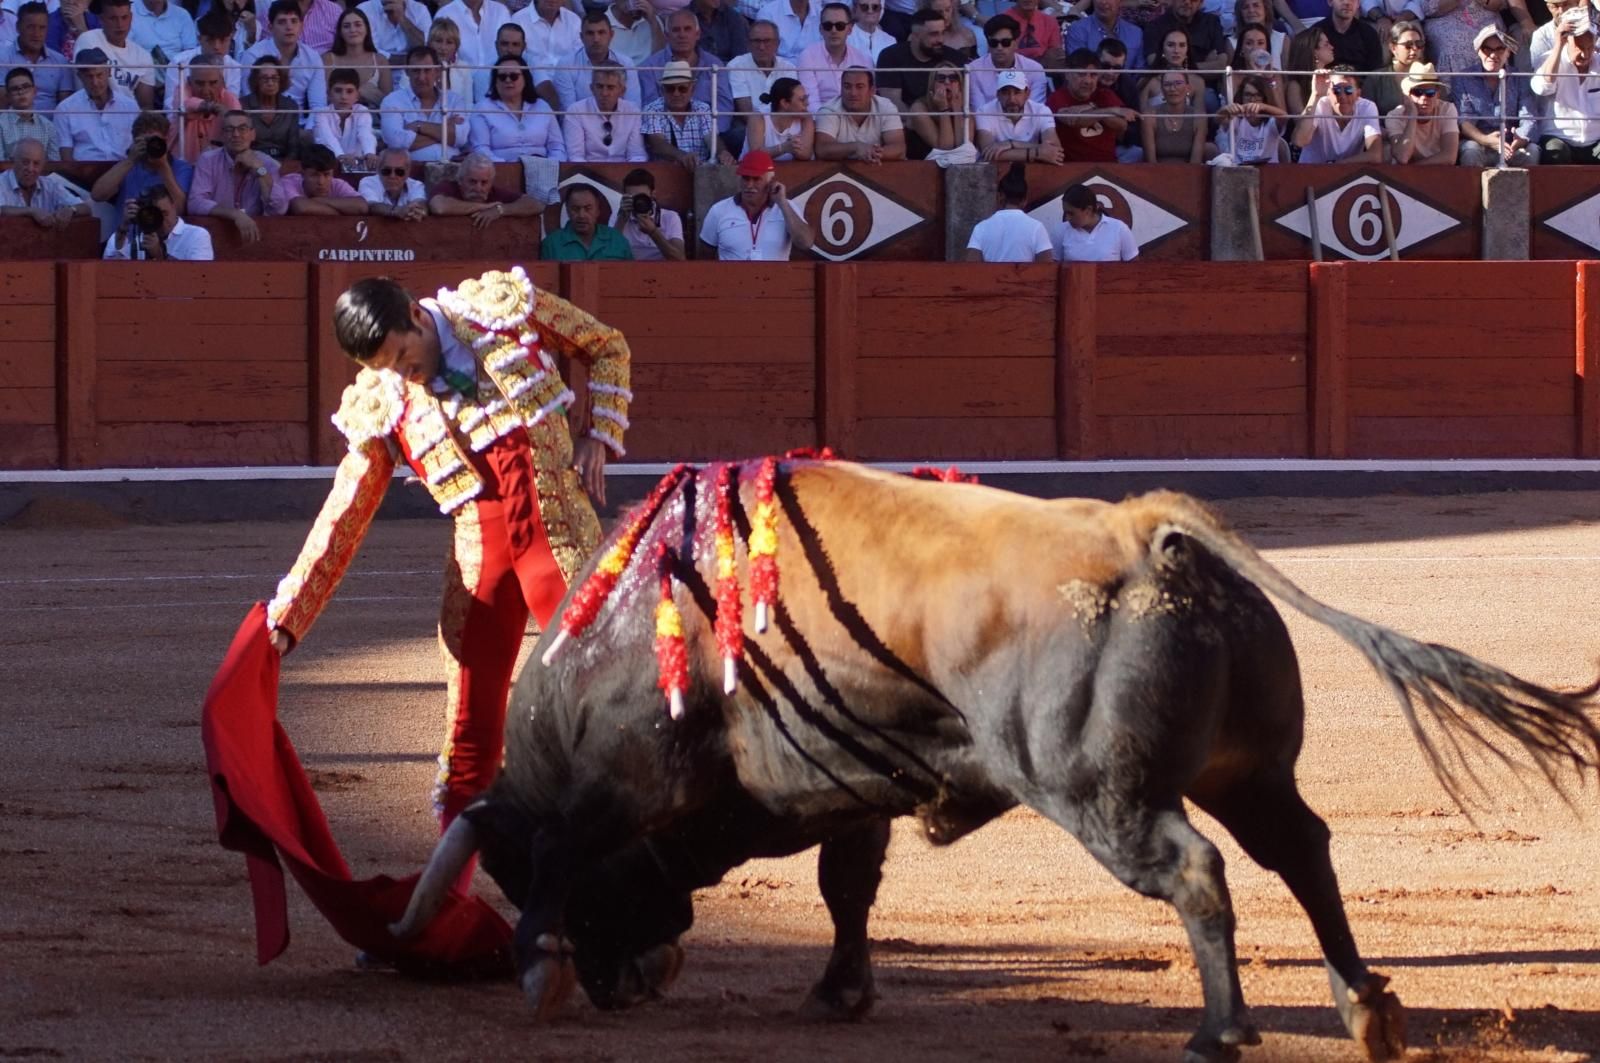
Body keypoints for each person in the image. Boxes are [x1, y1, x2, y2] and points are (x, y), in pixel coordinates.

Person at [264, 268, 632, 864]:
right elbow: (343, 515)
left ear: (414, 315)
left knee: (605, 712)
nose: (401, 375)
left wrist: (600, 433)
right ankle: (447, 908)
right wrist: (287, 618)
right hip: (479, 573)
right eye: (382, 367)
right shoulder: (382, 402)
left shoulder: (501, 310)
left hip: (563, 554)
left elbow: (605, 345)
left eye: (402, 356)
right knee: (468, 740)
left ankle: (627, 885)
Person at [699, 149, 815, 259]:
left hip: (774, 279)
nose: (749, 185)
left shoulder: (786, 207)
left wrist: (782, 203)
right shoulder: (719, 210)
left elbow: (806, 243)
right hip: (732, 279)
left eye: (756, 179)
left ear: (770, 180)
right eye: (745, 178)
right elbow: (704, 256)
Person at [189, 109, 280, 243]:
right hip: (216, 237)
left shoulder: (268, 163)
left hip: (259, 238)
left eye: (242, 129)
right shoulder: (208, 160)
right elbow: (195, 203)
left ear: (252, 134)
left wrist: (261, 172)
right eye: (229, 129)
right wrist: (234, 214)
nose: (236, 134)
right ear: (222, 135)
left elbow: (279, 209)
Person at [1456, 24, 1539, 166]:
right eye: (1487, 49)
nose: (1493, 55)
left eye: (1499, 49)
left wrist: (1520, 139)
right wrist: (1486, 140)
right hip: (1480, 144)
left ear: (1508, 52)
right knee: (1470, 150)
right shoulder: (1464, 78)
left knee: (1532, 151)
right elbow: (1464, 121)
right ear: (1479, 52)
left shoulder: (1520, 78)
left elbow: (1529, 117)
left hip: (1511, 145)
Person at [88, 109, 192, 214]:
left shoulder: (181, 168)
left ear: (166, 140)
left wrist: (163, 166)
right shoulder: (126, 167)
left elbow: (180, 209)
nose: (151, 145)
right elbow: (97, 195)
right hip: (127, 227)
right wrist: (130, 160)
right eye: (145, 141)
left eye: (155, 140)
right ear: (135, 141)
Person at [1531, 7, 1600, 164]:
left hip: (1595, 141)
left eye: (1589, 48)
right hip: (1559, 138)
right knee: (1555, 151)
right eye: (1580, 48)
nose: (1585, 54)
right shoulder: (1549, 59)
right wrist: (1557, 47)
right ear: (1566, 41)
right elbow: (1542, 88)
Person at [470, 56, 567, 162]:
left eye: (514, 76)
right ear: (495, 81)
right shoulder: (482, 109)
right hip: (499, 172)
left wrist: (551, 165)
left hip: (544, 170)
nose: (508, 80)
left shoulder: (542, 106)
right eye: (502, 77)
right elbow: (481, 149)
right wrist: (510, 168)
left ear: (525, 79)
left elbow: (557, 146)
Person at [380, 45, 466, 163]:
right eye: (416, 70)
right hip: (410, 171)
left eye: (427, 70)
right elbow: (396, 143)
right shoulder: (392, 101)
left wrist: (419, 126)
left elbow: (461, 138)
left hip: (452, 168)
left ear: (437, 71)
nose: (421, 77)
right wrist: (445, 131)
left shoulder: (454, 100)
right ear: (407, 71)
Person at [242, 1, 329, 117]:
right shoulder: (253, 55)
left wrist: (310, 130)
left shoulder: (312, 57)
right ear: (270, 27)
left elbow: (318, 106)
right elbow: (250, 101)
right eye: (282, 22)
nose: (289, 27)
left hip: (300, 126)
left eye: (294, 21)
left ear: (301, 26)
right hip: (261, 123)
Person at [52, 48, 140, 161]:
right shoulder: (65, 109)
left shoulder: (130, 107)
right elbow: (66, 158)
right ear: (80, 76)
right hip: (83, 173)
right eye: (89, 76)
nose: (95, 82)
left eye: (99, 75)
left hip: (124, 170)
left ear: (108, 72)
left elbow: (138, 147)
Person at [1048, 49, 1136, 162]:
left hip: (1108, 167)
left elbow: (1122, 125)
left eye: (1093, 75)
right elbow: (1073, 120)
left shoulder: (1105, 94)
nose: (1088, 81)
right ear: (1067, 74)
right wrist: (1108, 111)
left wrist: (1094, 109)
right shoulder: (1057, 97)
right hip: (1071, 170)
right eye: (1081, 74)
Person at [552, 9, 643, 112]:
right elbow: (568, 113)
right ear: (581, 37)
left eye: (601, 32)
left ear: (611, 35)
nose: (596, 39)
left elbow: (634, 109)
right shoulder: (566, 65)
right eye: (590, 33)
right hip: (580, 126)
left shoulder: (626, 64)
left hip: (620, 125)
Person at [74, 0, 158, 109]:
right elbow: (92, 88)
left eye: (124, 17)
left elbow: (146, 106)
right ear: (101, 19)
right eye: (113, 18)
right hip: (90, 111)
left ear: (131, 17)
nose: (120, 24)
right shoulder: (89, 39)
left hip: (128, 117)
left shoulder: (143, 56)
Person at [428, 150, 546, 227]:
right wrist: (485, 207)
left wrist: (501, 210)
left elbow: (537, 205)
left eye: (484, 182)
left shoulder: (495, 193)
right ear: (460, 180)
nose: (478, 188)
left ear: (491, 182)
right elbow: (438, 207)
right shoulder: (448, 187)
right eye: (472, 181)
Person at [964, 162, 1052, 262]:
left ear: (999, 197)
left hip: (991, 277)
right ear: (1024, 200)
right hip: (1024, 277)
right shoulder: (1037, 227)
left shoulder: (981, 228)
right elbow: (1047, 266)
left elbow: (972, 266)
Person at [1292, 64, 1382, 161]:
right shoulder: (1320, 104)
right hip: (1312, 171)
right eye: (1336, 90)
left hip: (1348, 172)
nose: (1342, 96)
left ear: (1358, 94)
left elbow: (1375, 155)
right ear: (1328, 92)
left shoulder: (1367, 107)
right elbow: (1299, 141)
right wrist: (1315, 95)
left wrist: (1335, 166)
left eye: (1348, 90)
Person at [816, 65, 908, 160]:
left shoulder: (886, 107)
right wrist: (855, 147)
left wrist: (872, 153)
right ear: (841, 88)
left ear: (872, 91)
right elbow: (822, 150)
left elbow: (899, 149)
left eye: (860, 87)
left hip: (878, 168)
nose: (853, 93)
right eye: (847, 86)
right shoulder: (829, 110)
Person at [643, 59, 723, 168]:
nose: (676, 93)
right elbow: (657, 144)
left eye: (682, 88)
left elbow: (712, 138)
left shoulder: (703, 108)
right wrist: (683, 156)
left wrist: (722, 154)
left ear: (692, 89)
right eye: (670, 88)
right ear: (662, 90)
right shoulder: (652, 109)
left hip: (700, 171)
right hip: (666, 172)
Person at [0, 137, 90, 230]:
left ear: (43, 165)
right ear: (12, 161)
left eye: (36, 163)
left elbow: (85, 208)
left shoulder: (50, 185)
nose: (31, 169)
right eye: (25, 162)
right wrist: (30, 211)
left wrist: (71, 210)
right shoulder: (1, 182)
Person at [564, 63, 647, 162]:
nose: (604, 93)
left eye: (610, 87)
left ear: (622, 91)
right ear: (592, 88)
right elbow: (575, 157)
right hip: (586, 172)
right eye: (599, 86)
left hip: (624, 172)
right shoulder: (575, 111)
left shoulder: (633, 112)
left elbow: (637, 154)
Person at [103, 184, 213, 258]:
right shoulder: (133, 236)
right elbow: (109, 270)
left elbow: (199, 277)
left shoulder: (197, 236)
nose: (161, 220)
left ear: (174, 207)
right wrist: (124, 227)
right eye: (154, 215)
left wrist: (159, 256)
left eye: (165, 213)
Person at [0, 3, 74, 112]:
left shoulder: (60, 62)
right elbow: (2, 103)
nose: (37, 33)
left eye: (42, 28)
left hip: (51, 126)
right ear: (18, 27)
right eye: (31, 27)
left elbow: (65, 107)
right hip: (12, 126)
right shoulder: (2, 58)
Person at [977, 68, 1064, 160]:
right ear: (998, 94)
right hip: (995, 170)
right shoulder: (984, 111)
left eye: (1017, 92)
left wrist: (1012, 143)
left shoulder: (1041, 110)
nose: (1011, 99)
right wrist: (1037, 153)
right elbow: (987, 152)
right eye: (1005, 93)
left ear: (1027, 94)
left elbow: (1055, 150)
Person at [796, 2, 871, 109]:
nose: (834, 30)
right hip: (820, 121)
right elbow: (811, 102)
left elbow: (866, 100)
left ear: (849, 29)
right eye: (828, 26)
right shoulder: (807, 56)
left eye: (840, 26)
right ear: (821, 29)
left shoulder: (863, 60)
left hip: (855, 119)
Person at [968, 13, 1048, 109]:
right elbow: (979, 112)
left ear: (1016, 43)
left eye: (1005, 42)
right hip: (987, 123)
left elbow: (1035, 111)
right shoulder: (974, 70)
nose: (999, 48)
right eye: (994, 43)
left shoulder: (1035, 70)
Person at [1383, 61, 1458, 163]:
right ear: (1407, 95)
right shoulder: (1394, 116)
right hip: (1405, 172)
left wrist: (1417, 170)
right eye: (1417, 92)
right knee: (1386, 151)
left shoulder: (1447, 109)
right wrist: (1412, 117)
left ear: (1438, 94)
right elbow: (1402, 157)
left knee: (1470, 148)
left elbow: (1449, 156)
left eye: (1430, 93)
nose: (1424, 98)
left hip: (1437, 169)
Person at [875, 8, 949, 110]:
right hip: (903, 122)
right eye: (933, 34)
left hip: (947, 120)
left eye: (943, 33)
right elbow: (892, 103)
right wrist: (920, 120)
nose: (941, 39)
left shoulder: (954, 58)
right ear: (915, 36)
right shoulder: (890, 57)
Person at [907, 59, 978, 163]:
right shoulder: (919, 108)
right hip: (921, 167)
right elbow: (945, 148)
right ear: (932, 84)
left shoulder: (965, 108)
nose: (947, 82)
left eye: (953, 78)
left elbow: (963, 146)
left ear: (960, 84)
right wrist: (943, 109)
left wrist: (957, 109)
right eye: (941, 78)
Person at [173, 55, 240, 163]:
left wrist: (228, 119)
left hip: (219, 165)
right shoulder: (182, 90)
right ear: (190, 81)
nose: (206, 90)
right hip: (183, 162)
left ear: (222, 82)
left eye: (213, 83)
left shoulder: (229, 99)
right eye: (200, 83)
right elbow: (183, 105)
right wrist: (212, 107)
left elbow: (239, 128)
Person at [540, 183, 634, 260]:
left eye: (588, 208)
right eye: (575, 209)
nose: (581, 215)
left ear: (598, 210)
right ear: (567, 210)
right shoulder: (551, 244)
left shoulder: (617, 240)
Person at [322, 6, 392, 108]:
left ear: (367, 29)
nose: (353, 30)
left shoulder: (380, 60)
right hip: (334, 120)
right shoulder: (327, 59)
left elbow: (389, 103)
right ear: (340, 32)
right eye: (346, 26)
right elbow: (323, 99)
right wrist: (361, 93)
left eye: (358, 25)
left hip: (373, 121)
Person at [268, 143, 367, 214]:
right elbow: (301, 207)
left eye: (327, 174)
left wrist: (317, 200)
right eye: (314, 175)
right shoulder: (289, 182)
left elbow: (362, 206)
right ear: (302, 172)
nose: (321, 182)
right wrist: (340, 213)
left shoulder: (337, 184)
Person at [728, 18, 798, 115]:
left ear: (777, 44)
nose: (762, 47)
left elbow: (792, 107)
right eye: (756, 41)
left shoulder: (788, 68)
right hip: (751, 126)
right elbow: (745, 112)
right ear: (748, 44)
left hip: (783, 125)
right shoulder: (736, 66)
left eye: (767, 41)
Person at [313, 67, 379, 169]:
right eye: (338, 91)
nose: (343, 96)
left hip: (357, 167)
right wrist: (341, 156)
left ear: (357, 95)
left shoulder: (362, 111)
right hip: (329, 167)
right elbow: (327, 138)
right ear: (328, 94)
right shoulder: (321, 113)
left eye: (349, 91)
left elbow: (365, 134)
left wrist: (369, 153)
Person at [1053, 181, 1137, 261]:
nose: (1067, 218)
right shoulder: (1060, 231)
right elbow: (1052, 268)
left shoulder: (1119, 229)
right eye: (1066, 213)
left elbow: (1134, 268)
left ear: (1088, 210)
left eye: (1071, 213)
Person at [1213, 74, 1288, 163]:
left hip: (1268, 171)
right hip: (1240, 171)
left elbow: (1285, 117)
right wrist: (1225, 110)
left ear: (1264, 97)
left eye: (1258, 95)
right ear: (1241, 96)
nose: (1252, 99)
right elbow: (1217, 120)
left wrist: (1263, 107)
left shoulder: (1271, 121)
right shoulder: (1236, 119)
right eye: (1248, 95)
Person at [615, 166, 686, 260]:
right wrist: (622, 219)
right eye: (634, 198)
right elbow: (607, 255)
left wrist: (653, 232)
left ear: (653, 195)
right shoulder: (619, 217)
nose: (638, 202)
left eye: (642, 197)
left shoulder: (670, 217)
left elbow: (680, 259)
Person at [242, 58, 304, 162]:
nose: (270, 83)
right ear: (256, 81)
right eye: (264, 78)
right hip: (253, 162)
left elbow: (294, 147)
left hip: (284, 162)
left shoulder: (290, 106)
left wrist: (285, 167)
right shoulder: (243, 105)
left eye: (274, 78)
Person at [1142, 70, 1208, 162]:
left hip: (1189, 173)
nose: (1173, 88)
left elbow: (1195, 162)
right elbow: (1151, 161)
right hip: (1157, 172)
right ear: (1162, 90)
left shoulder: (1198, 117)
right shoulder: (1150, 116)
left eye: (1178, 83)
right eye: (1167, 84)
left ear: (1188, 88)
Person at [743, 75, 815, 158]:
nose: (807, 103)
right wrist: (783, 148)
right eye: (802, 99)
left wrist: (794, 148)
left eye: (806, 98)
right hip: (756, 170)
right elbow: (755, 156)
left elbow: (806, 154)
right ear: (784, 103)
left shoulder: (806, 117)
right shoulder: (758, 118)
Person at [1366, 19, 1423, 118]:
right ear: (1393, 47)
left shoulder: (1430, 76)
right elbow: (1366, 114)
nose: (1414, 49)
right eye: (1408, 45)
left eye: (1419, 44)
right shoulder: (1375, 78)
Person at [1, 68, 62, 160]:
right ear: (8, 95)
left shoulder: (48, 126)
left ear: (35, 91)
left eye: (25, 87)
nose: (21, 92)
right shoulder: (1, 124)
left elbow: (54, 164)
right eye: (14, 89)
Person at [1064, 0, 1143, 68]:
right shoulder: (1077, 30)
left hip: (1127, 85)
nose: (1103, 2)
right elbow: (1079, 70)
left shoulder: (1136, 33)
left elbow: (1140, 71)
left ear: (1120, 1)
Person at [359, 146, 428, 218]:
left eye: (399, 171)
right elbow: (371, 206)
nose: (392, 176)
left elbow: (420, 203)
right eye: (387, 171)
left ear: (408, 172)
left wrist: (415, 209)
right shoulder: (368, 183)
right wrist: (396, 211)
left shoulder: (416, 185)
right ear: (378, 170)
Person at [357, 0, 432, 64]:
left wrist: (402, 18)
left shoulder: (420, 10)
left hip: (414, 71)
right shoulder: (364, 10)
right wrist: (411, 60)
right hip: (378, 70)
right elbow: (370, 53)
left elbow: (425, 47)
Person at [1283, 23, 1332, 115]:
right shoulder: (1295, 86)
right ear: (1313, 51)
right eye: (1326, 44)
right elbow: (1300, 123)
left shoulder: (1333, 77)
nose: (1332, 47)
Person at [1319, 0, 1381, 70]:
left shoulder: (1369, 33)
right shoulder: (1318, 32)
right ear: (1330, 2)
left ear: (1358, 4)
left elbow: (1375, 71)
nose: (1347, 2)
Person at [1002, 0, 1063, 69]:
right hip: (1012, 68)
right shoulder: (1002, 21)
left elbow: (1055, 52)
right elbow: (999, 53)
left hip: (1043, 68)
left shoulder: (1050, 21)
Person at [755, 0, 822, 59]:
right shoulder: (768, 14)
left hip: (816, 69)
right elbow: (765, 54)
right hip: (779, 70)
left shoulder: (821, 14)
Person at [607, 0, 666, 66]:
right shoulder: (602, 24)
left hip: (649, 73)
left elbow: (660, 58)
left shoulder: (653, 20)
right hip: (617, 74)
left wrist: (653, 20)